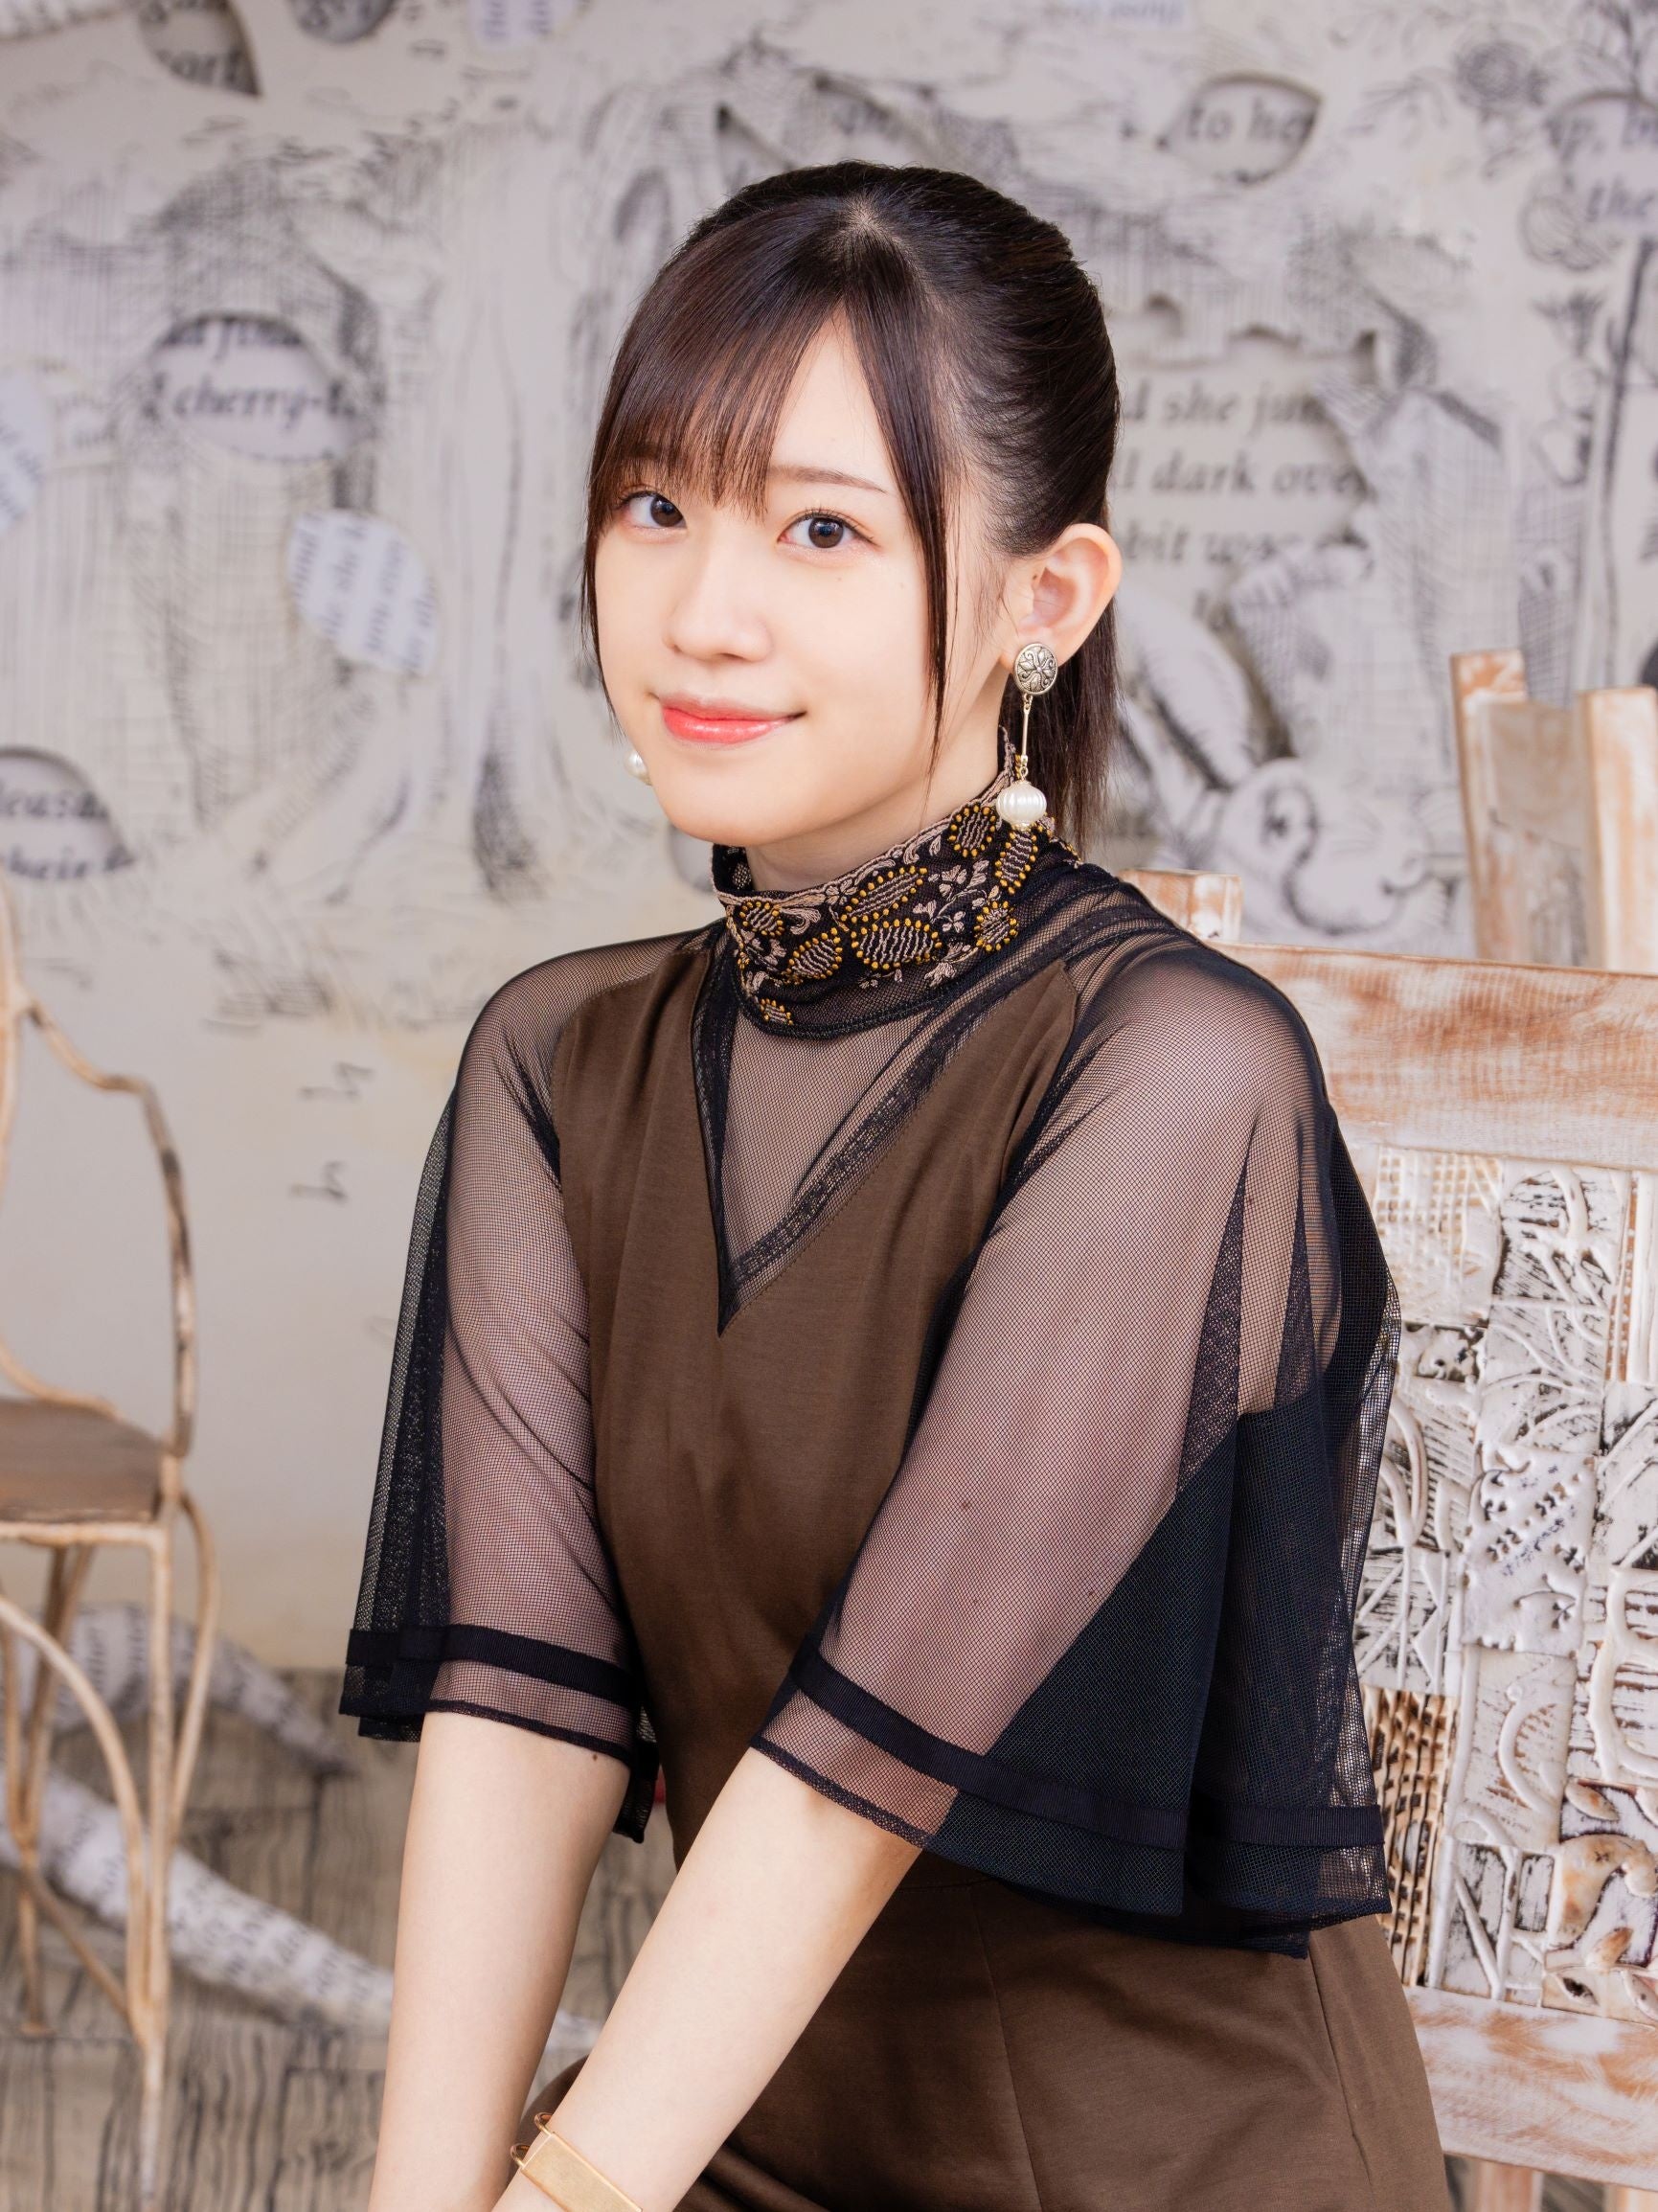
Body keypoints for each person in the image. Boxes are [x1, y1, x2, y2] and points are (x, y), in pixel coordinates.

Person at [338, 161, 1450, 2212]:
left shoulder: (1173, 1078)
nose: (703, 611)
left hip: (1150, 2175)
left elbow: (853, 1788)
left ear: (1047, 599)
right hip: (742, 2145)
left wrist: (560, 2201)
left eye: (822, 530)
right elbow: (528, 1725)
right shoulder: (557, 1066)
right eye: (655, 505)